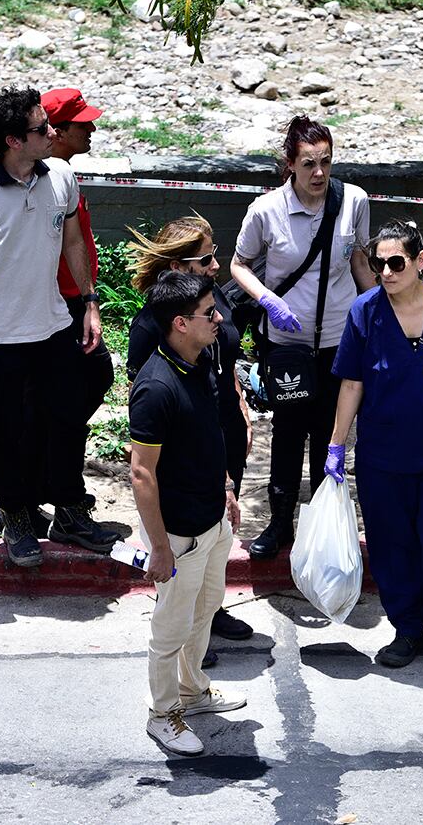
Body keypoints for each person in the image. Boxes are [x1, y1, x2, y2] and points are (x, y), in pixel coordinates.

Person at [0, 86, 117, 567]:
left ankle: (69, 509)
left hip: (53, 324)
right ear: (12, 141)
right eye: (42, 129)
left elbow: (74, 245)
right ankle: (16, 513)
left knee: (65, 419)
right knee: (9, 430)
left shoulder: (60, 176)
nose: (52, 134)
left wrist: (89, 303)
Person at [327, 221, 423, 676]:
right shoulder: (365, 312)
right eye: (379, 265)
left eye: (396, 263)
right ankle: (408, 629)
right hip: (384, 454)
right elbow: (352, 383)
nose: (386, 273)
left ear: (420, 261)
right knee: (392, 545)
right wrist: (336, 447)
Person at [230, 115, 373, 560]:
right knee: (289, 434)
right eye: (308, 163)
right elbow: (238, 265)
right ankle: (279, 525)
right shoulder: (266, 210)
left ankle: (320, 528)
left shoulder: (353, 201)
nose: (318, 174)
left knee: (330, 435)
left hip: (337, 340)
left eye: (326, 163)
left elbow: (361, 264)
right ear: (289, 164)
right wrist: (269, 300)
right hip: (286, 343)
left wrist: (383, 317)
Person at [125, 216, 255, 659]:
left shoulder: (211, 299)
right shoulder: (149, 327)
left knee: (217, 535)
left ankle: (209, 615)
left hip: (222, 428)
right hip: (186, 446)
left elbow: (228, 355)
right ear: (179, 267)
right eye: (206, 259)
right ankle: (181, 639)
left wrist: (238, 400)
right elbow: (146, 403)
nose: (217, 266)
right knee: (188, 542)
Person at [130, 272, 245, 756]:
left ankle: (193, 692)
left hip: (213, 521)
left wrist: (227, 490)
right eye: (208, 313)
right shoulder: (154, 389)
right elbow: (141, 474)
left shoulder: (199, 363)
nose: (218, 318)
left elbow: (208, 438)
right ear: (179, 323)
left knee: (204, 611)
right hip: (179, 534)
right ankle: (162, 714)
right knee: (171, 628)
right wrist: (159, 546)